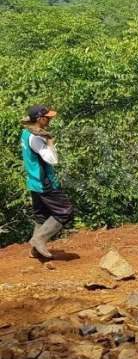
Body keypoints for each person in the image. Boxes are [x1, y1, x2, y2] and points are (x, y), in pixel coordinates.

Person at [20, 105, 75, 260]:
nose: (50, 119)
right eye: (48, 117)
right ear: (39, 119)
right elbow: (52, 159)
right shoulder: (36, 138)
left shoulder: (25, 133)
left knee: (41, 216)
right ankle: (39, 239)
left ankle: (35, 251)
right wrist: (50, 141)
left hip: (33, 181)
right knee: (65, 212)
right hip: (45, 183)